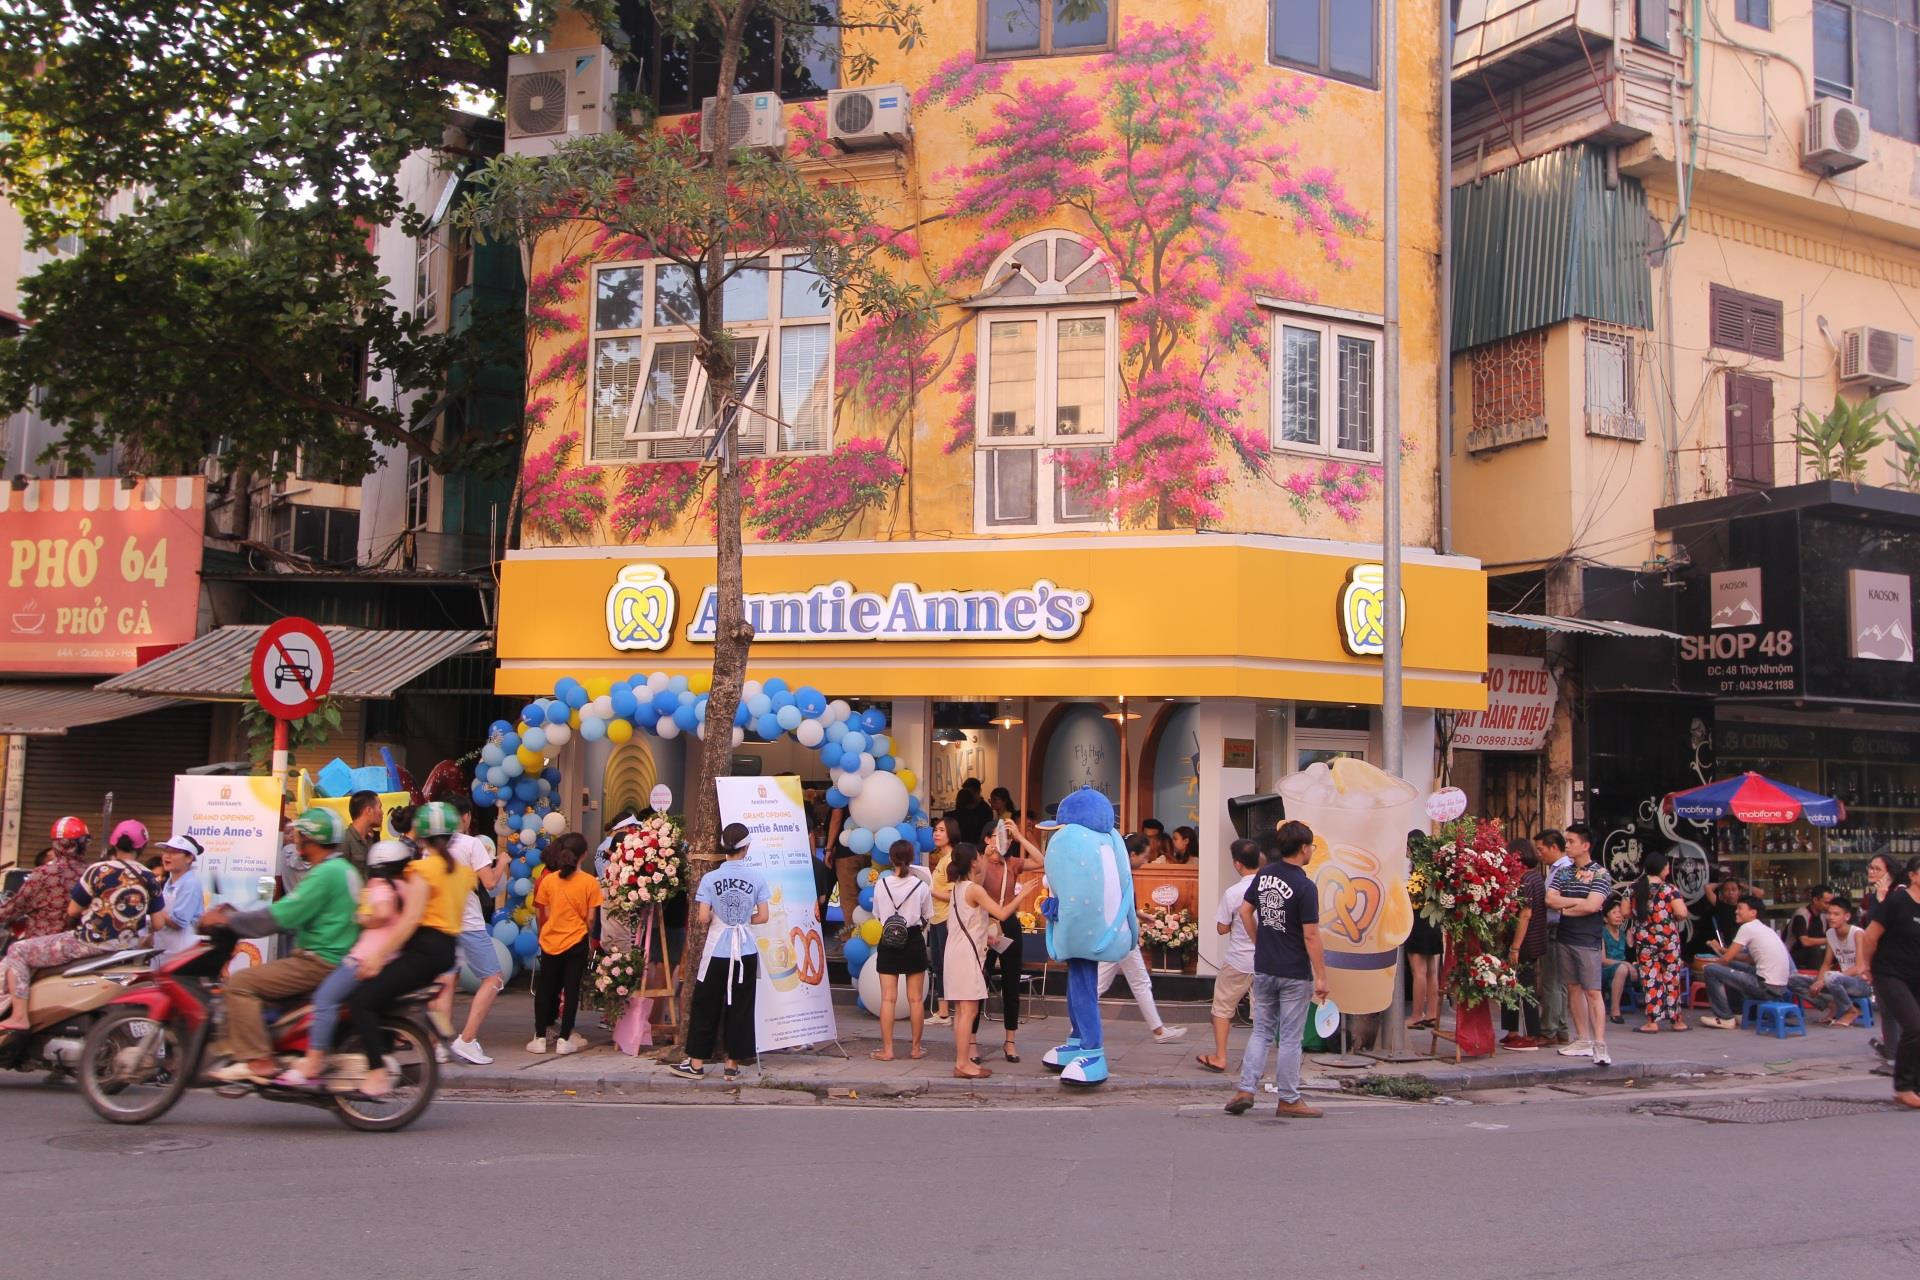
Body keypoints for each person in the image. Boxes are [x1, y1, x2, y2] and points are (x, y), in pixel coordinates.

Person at [201, 808, 364, 1084]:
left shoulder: (325, 874)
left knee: (240, 983)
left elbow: (282, 916)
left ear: (310, 839)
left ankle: (259, 1059)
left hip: (318, 961)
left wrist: (230, 920)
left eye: (300, 834)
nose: (296, 839)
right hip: (337, 957)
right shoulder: (345, 869)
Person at [341, 802, 475, 1098]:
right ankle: (383, 1052)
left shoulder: (423, 870)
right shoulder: (463, 874)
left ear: (422, 836)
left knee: (361, 1001)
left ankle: (376, 1074)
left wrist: (376, 956)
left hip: (422, 949)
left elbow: (410, 920)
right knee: (382, 999)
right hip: (447, 950)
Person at [274, 839, 410, 1089]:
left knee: (324, 1000)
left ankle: (313, 1063)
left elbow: (381, 912)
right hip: (390, 960)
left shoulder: (380, 885)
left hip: (362, 959)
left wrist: (363, 918)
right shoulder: (406, 887)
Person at [0, 822, 163, 1030]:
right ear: (143, 847)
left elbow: (72, 911)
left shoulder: (96, 870)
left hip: (88, 942)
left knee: (16, 951)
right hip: (127, 946)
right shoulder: (149, 876)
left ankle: (19, 1016)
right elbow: (158, 923)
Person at [1225, 822, 1329, 1119]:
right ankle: (1289, 1099)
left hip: (1265, 967)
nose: (1311, 850)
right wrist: (1321, 975)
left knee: (1261, 1031)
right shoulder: (1305, 886)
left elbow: (1245, 911)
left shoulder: (1265, 874)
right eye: (1311, 846)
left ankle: (1246, 1089)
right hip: (1294, 971)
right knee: (1291, 1038)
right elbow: (1311, 935)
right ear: (1303, 848)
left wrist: (1260, 941)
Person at [671, 823, 770, 1082]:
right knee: (741, 1005)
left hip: (717, 950)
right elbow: (764, 916)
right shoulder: (757, 878)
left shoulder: (710, 878)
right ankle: (732, 1064)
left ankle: (696, 1062)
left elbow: (702, 917)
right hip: (745, 949)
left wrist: (719, 916)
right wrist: (743, 920)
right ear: (746, 847)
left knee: (706, 1004)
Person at [944, 843, 1021, 1080]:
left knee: (962, 1011)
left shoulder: (958, 887)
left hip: (955, 951)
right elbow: (1002, 913)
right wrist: (1024, 894)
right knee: (968, 1010)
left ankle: (964, 1060)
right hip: (967, 954)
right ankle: (962, 1063)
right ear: (973, 862)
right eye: (979, 857)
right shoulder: (974, 889)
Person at [446, 796, 511, 1065]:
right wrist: (503, 862)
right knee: (493, 978)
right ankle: (467, 1039)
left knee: (446, 982)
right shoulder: (471, 844)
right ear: (465, 816)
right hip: (469, 921)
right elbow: (490, 883)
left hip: (441, 920)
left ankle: (438, 1043)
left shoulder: (432, 845)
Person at [1545, 823, 1614, 1065]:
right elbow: (1550, 899)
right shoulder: (1563, 872)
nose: (1567, 845)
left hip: (1588, 939)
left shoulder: (1601, 874)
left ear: (1585, 845)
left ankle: (1600, 1043)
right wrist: (1576, 903)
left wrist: (1567, 907)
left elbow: (1593, 906)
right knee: (1572, 987)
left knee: (1592, 991)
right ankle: (1582, 1038)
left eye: (1572, 841)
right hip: (1566, 936)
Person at [1856, 855, 1920, 1109]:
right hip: (1890, 973)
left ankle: (1915, 1086)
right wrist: (1865, 966)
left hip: (1916, 975)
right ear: (1913, 875)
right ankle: (1903, 1087)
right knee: (1915, 1027)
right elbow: (1869, 937)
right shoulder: (1897, 902)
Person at [530, 832, 601, 1055]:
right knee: (571, 990)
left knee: (545, 989)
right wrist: (586, 933)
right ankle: (564, 1039)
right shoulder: (590, 882)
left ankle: (540, 1037)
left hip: (551, 939)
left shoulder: (549, 880)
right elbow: (591, 918)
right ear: (584, 855)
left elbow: (546, 912)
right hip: (576, 940)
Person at [1199, 838, 1262, 1073]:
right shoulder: (1268, 888)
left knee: (1222, 1008)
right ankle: (1257, 1063)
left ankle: (1221, 1056)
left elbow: (1221, 928)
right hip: (1265, 961)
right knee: (1262, 1016)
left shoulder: (1234, 893)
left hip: (1238, 959)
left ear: (1237, 864)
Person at [982, 813, 1039, 1061]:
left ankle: (1010, 1041)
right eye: (996, 836)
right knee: (978, 982)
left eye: (1004, 837)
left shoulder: (1012, 863)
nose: (1000, 841)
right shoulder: (979, 863)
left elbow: (1040, 860)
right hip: (984, 926)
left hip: (1009, 926)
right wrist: (985, 857)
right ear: (986, 839)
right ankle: (972, 1041)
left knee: (1012, 983)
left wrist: (1019, 836)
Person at [870, 839, 931, 1062]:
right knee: (915, 999)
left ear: (891, 859)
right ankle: (916, 1049)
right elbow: (927, 916)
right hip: (913, 939)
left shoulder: (881, 884)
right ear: (912, 858)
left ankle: (888, 1049)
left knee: (888, 999)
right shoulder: (921, 886)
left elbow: (877, 914)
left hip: (888, 940)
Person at [1698, 894, 1794, 1028]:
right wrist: (1722, 951)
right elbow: (1749, 959)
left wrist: (1710, 965)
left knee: (1711, 970)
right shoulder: (1763, 928)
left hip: (1766, 987)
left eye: (1740, 908)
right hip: (1779, 988)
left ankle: (1724, 1017)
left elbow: (1726, 959)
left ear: (1753, 913)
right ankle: (1738, 1014)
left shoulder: (1747, 927)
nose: (1736, 911)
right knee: (1730, 968)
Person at [1627, 849, 1690, 1034]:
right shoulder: (1670, 890)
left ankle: (1652, 1022)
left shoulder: (1633, 888)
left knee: (1650, 979)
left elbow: (1624, 912)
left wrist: (1642, 917)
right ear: (1663, 868)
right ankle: (1677, 1021)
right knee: (1672, 978)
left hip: (1645, 941)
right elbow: (1682, 913)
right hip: (1668, 941)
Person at [0, 817, 89, 942]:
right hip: (78, 944)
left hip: (41, 946)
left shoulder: (43, 874)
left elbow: (13, 909)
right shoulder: (92, 873)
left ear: (56, 844)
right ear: (84, 844)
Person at [1792, 895, 1872, 1027]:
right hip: (1837, 980)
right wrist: (1819, 981)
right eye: (1829, 913)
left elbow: (1859, 967)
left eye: (1836, 914)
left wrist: (1828, 978)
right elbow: (1827, 963)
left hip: (1860, 983)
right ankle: (1831, 1006)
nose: (1831, 917)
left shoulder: (1857, 933)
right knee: (1794, 980)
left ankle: (1851, 1011)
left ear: (1846, 916)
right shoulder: (1830, 933)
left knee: (1831, 976)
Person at [1501, 837, 1549, 1049]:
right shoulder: (1533, 878)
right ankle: (1512, 1031)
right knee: (1510, 984)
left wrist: (1515, 947)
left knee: (1524, 986)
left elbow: (1526, 914)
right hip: (1527, 940)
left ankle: (1531, 1035)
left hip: (1526, 942)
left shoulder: (1528, 881)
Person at [1532, 829, 1572, 1043]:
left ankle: (1548, 1030)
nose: (1539, 854)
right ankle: (1561, 1029)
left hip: (1556, 928)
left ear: (1554, 848)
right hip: (1557, 928)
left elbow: (1552, 900)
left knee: (1552, 982)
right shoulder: (1557, 869)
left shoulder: (1563, 869)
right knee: (1560, 983)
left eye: (1541, 849)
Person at [1404, 827, 1444, 1031]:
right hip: (1433, 923)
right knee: (1432, 971)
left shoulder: (1419, 873)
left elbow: (1411, 898)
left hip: (1419, 922)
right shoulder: (1433, 868)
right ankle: (1432, 1013)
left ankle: (1417, 1014)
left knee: (1418, 971)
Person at [147, 833, 207, 958]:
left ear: (189, 858)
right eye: (166, 851)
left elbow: (178, 923)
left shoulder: (191, 884)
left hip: (182, 954)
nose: (167, 856)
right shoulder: (168, 883)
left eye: (174, 852)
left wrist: (154, 907)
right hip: (164, 951)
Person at [926, 816, 961, 1025]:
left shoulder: (952, 860)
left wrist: (929, 890)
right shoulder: (942, 858)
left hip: (948, 919)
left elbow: (954, 894)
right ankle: (943, 1011)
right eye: (935, 830)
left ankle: (953, 1010)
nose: (936, 834)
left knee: (947, 965)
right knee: (939, 963)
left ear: (951, 833)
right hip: (937, 917)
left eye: (941, 830)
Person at [1601, 897, 1633, 1025]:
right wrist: (1624, 963)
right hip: (1607, 970)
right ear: (1605, 918)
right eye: (1614, 913)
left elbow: (1630, 956)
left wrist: (1631, 944)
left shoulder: (1623, 934)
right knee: (1622, 968)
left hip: (1626, 968)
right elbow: (1602, 960)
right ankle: (1615, 1011)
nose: (1618, 915)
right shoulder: (1601, 934)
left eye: (1620, 912)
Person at [1788, 884, 1834, 970]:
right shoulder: (1801, 914)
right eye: (1826, 903)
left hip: (1813, 953)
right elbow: (1805, 942)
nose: (1829, 906)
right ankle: (1816, 979)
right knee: (1815, 951)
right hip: (1791, 955)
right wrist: (1830, 940)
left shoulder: (1824, 916)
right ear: (1815, 900)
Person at [343, 790, 382, 873]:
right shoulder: (344, 840)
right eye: (379, 807)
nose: (382, 812)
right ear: (369, 811)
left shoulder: (371, 839)